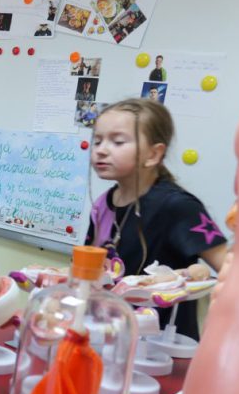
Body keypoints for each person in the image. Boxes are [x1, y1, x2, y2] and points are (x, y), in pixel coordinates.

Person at [87, 99, 228, 338]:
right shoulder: (103, 204)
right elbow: (89, 268)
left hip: (162, 343)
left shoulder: (178, 206)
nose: (101, 149)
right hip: (109, 335)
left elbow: (231, 271)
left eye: (118, 141)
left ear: (153, 154)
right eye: (98, 140)